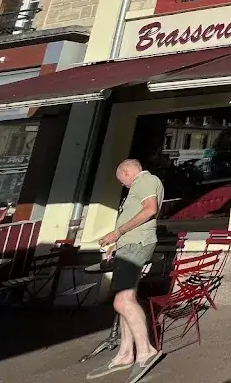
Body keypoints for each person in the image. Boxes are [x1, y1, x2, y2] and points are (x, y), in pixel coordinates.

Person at [87, 159, 164, 381]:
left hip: (136, 245)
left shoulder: (145, 181)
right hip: (129, 245)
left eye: (121, 180)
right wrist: (118, 245)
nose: (123, 185)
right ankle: (125, 354)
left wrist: (117, 233)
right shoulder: (142, 184)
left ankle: (146, 351)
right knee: (125, 300)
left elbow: (150, 210)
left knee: (122, 301)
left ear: (127, 171)